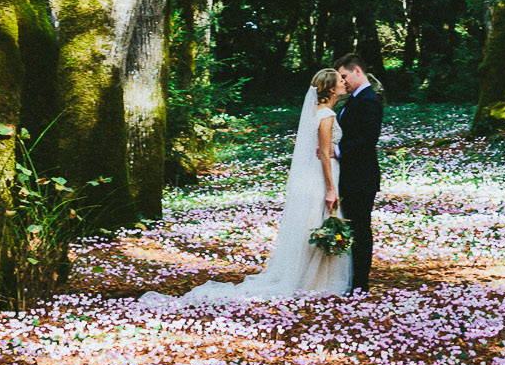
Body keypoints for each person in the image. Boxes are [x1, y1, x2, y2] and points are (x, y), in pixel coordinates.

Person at [139, 68, 353, 303]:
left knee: (312, 224)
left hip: (312, 176)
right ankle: (314, 281)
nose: (345, 82)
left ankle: (309, 278)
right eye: (341, 80)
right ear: (331, 88)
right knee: (320, 221)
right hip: (321, 177)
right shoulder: (327, 115)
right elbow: (323, 152)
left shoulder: (315, 112)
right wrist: (331, 188)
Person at [331, 53, 383, 293]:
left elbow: (367, 140)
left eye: (344, 76)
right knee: (351, 228)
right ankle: (351, 278)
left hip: (361, 178)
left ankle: (361, 283)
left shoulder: (369, 100)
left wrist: (337, 150)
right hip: (350, 176)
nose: (342, 82)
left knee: (361, 230)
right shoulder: (354, 99)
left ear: (357, 71)